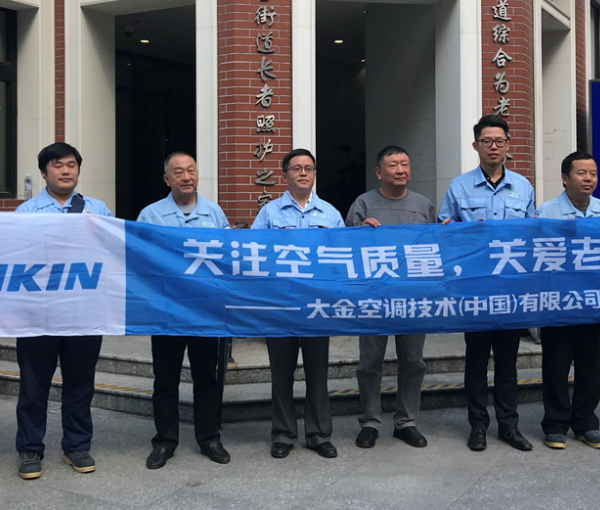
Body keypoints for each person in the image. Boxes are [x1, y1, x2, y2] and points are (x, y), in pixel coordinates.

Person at [14, 142, 112, 479]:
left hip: (84, 314)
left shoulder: (97, 210)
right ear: (44, 172)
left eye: (71, 164)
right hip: (37, 315)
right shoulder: (25, 213)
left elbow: (113, 254)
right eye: (58, 165)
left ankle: (77, 446)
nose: (66, 170)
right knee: (33, 387)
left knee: (80, 385)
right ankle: (30, 448)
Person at [438, 115, 534, 452]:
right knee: (476, 362)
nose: (493, 147)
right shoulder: (459, 187)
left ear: (508, 145)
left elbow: (533, 237)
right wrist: (455, 230)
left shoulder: (523, 187)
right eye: (486, 141)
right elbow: (444, 233)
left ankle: (509, 426)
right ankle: (478, 425)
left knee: (508, 364)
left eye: (499, 141)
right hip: (475, 290)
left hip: (510, 290)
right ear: (475, 145)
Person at [137, 152, 232, 470]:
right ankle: (165, 441)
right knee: (166, 379)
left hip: (205, 311)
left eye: (191, 170)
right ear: (167, 179)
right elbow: (140, 261)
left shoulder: (214, 212)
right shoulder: (151, 215)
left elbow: (228, 256)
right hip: (166, 312)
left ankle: (209, 438)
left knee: (207, 378)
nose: (186, 176)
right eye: (178, 172)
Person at [252, 148, 344, 460]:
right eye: (297, 168)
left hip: (318, 306)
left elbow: (343, 256)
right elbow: (254, 254)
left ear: (314, 174)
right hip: (280, 305)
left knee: (318, 374)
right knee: (281, 375)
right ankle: (283, 435)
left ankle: (319, 435)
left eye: (309, 168)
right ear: (285, 175)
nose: (303, 173)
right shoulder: (269, 214)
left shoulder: (330, 214)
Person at [347, 146, 436, 449]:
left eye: (405, 164)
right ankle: (370, 422)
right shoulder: (363, 204)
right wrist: (360, 232)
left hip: (413, 297)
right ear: (378, 172)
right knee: (369, 363)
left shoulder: (423, 205)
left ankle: (406, 422)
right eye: (393, 165)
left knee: (413, 362)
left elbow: (436, 248)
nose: (400, 170)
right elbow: (344, 250)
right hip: (374, 297)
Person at [535, 151, 600, 450]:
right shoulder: (545, 213)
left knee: (591, 366)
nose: (588, 179)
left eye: (593, 173)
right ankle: (555, 424)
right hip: (558, 304)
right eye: (581, 173)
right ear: (565, 178)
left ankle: (585, 423)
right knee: (556, 366)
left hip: (594, 303)